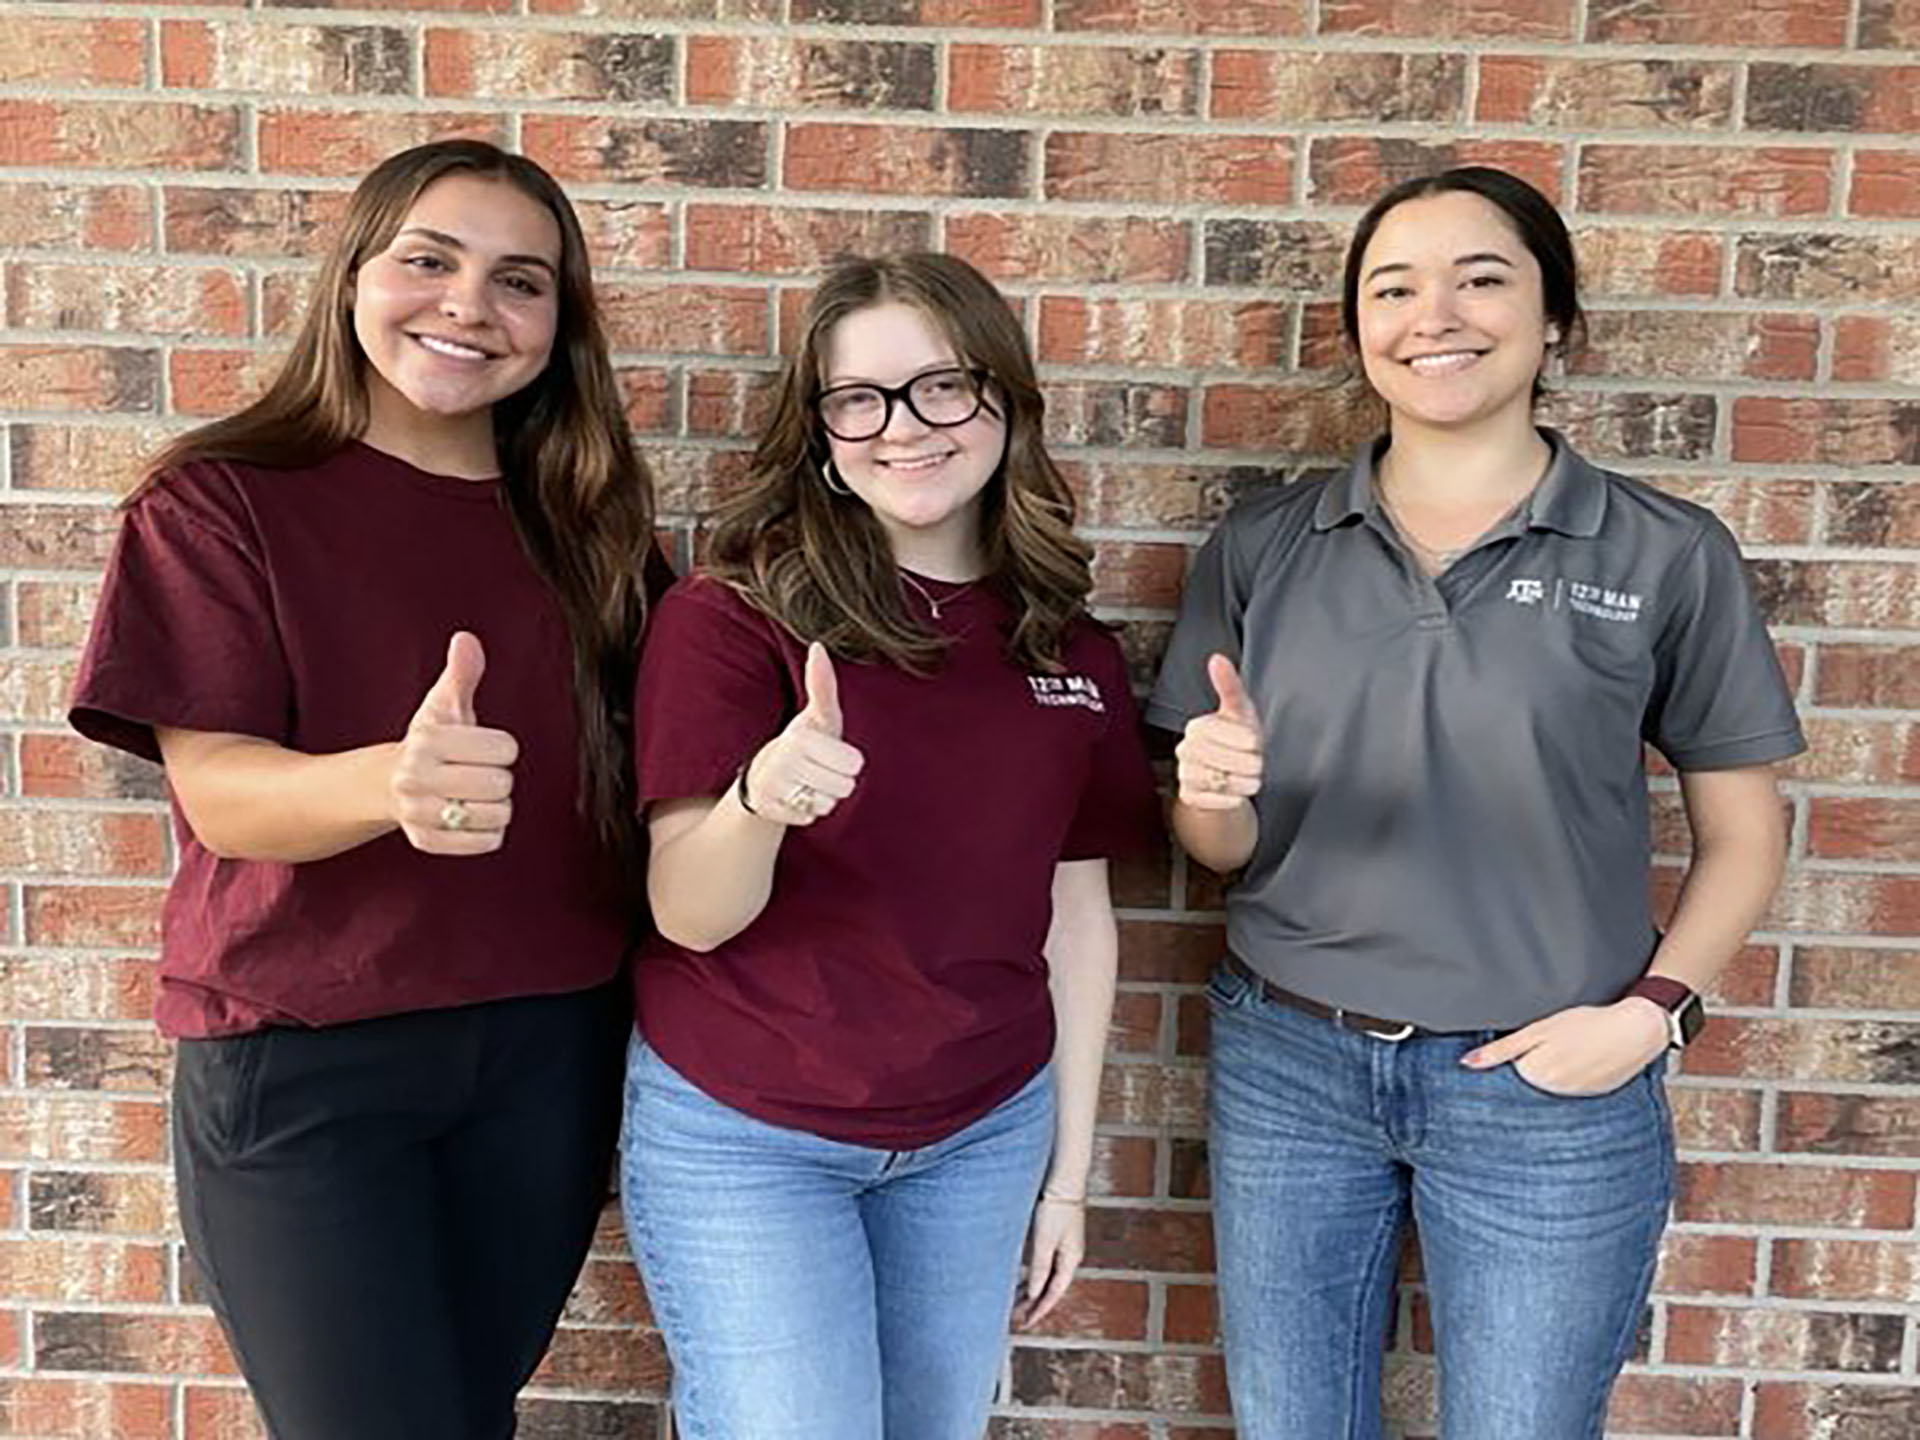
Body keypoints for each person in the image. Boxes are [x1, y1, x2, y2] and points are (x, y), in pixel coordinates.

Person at [1149, 167, 1803, 1440]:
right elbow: (1218, 852)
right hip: (1292, 1063)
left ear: (1556, 320)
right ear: (1357, 334)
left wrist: (1652, 1015)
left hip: (1548, 1088)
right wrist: (1209, 792)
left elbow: (1745, 829)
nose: (1432, 315)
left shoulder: (1662, 553)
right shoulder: (1265, 545)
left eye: (1481, 278)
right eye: (1393, 288)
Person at [68, 139, 667, 1439]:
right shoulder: (220, 502)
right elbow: (222, 795)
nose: (469, 306)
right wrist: (392, 783)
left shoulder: (597, 531)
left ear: (559, 329)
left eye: (521, 282)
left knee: (467, 1419)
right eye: (430, 261)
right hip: (304, 1059)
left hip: (547, 1054)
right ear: (353, 276)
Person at [621, 251, 1162, 1440]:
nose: (900, 427)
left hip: (981, 1133)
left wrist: (1066, 1174)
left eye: (940, 387)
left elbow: (1076, 919)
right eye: (858, 399)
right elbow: (689, 912)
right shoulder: (733, 620)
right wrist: (761, 798)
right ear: (819, 434)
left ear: (1005, 403)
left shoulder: (1072, 651)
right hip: (754, 1133)